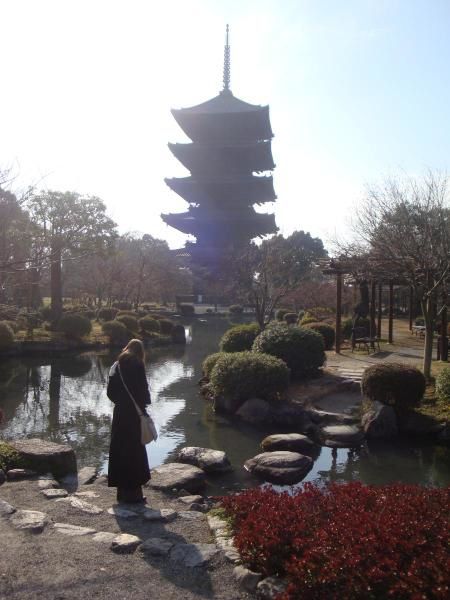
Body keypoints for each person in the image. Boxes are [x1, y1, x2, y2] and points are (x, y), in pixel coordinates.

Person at [107, 338, 151, 503]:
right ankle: (135, 494)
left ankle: (121, 493)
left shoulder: (116, 365)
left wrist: (121, 402)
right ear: (140, 352)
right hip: (134, 415)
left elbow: (110, 392)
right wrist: (143, 408)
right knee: (134, 451)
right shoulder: (138, 365)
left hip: (120, 414)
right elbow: (143, 391)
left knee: (119, 449)